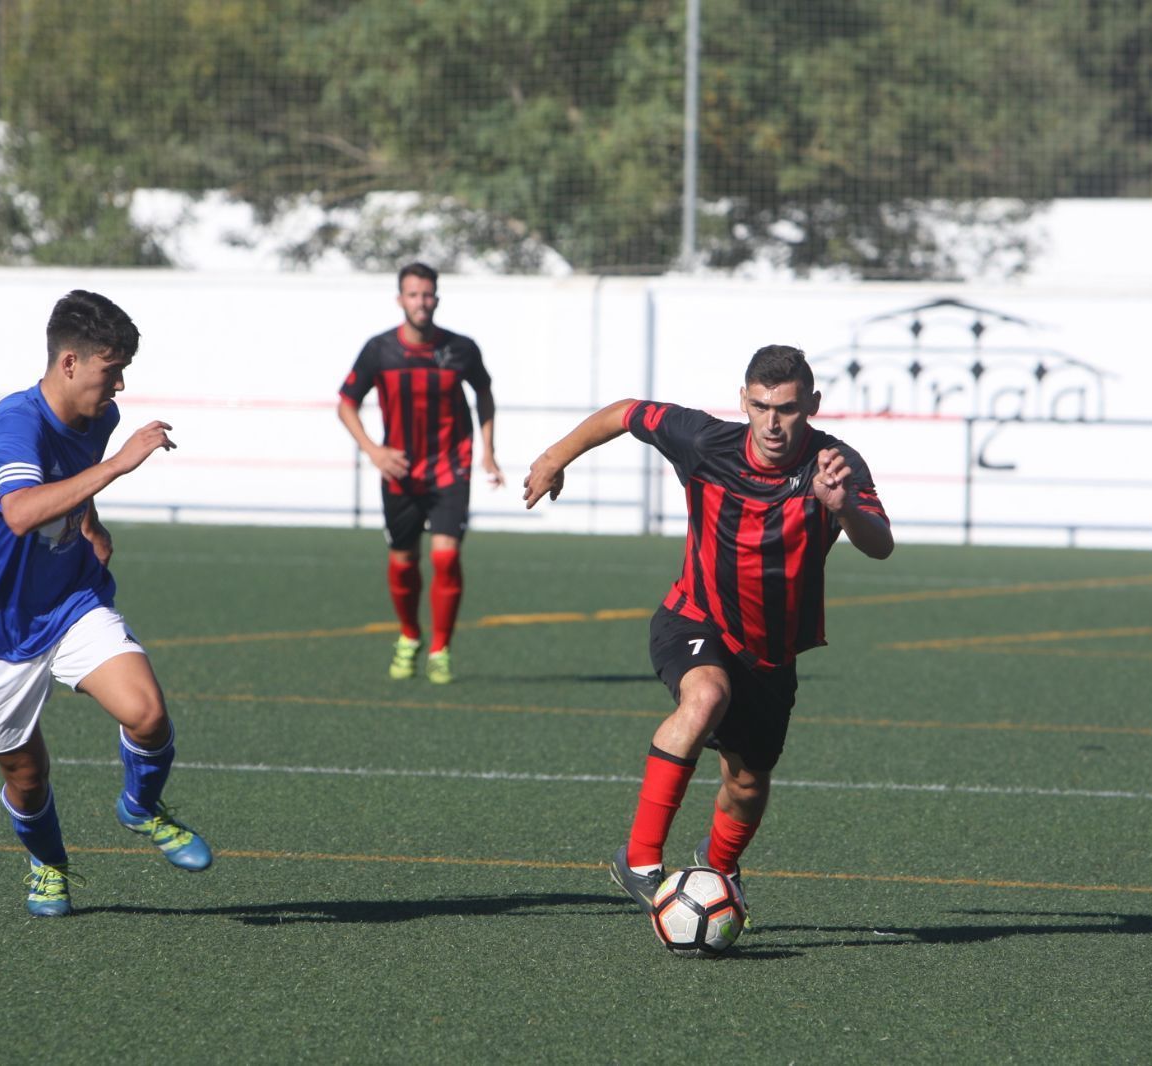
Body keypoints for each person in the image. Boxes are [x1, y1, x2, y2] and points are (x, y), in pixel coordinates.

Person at [522, 344, 893, 926]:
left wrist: (843, 509)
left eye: (789, 409)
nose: (773, 422)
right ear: (742, 401)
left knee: (746, 784)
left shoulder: (836, 465)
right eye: (762, 406)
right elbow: (626, 412)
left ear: (813, 405)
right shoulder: (705, 442)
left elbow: (880, 545)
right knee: (706, 697)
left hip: (771, 656)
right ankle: (639, 860)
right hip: (694, 618)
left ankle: (716, 866)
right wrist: (554, 456)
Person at [0, 289, 212, 918]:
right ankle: (49, 863)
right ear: (69, 363)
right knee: (26, 775)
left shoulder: (100, 420)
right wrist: (118, 468)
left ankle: (140, 807)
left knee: (146, 714)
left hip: (69, 599)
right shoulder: (14, 424)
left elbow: (72, 485)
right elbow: (19, 511)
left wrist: (90, 524)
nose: (118, 386)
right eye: (109, 371)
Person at [337, 262, 503, 684]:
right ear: (400, 300)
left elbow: (484, 393)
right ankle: (410, 635)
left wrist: (488, 452)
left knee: (446, 557)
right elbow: (346, 403)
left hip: (450, 468)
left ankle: (440, 649)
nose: (421, 302)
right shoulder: (379, 350)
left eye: (427, 294)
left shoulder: (461, 349)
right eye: (413, 294)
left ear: (437, 299)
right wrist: (374, 451)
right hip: (401, 472)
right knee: (404, 562)